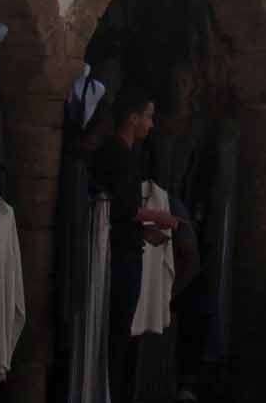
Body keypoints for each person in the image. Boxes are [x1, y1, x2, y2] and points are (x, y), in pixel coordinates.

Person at [88, 88, 180, 403]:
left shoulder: (120, 154)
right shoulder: (119, 155)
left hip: (124, 246)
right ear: (133, 117)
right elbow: (124, 209)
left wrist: (145, 232)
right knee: (117, 334)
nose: (152, 124)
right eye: (149, 116)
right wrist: (160, 217)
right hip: (121, 257)